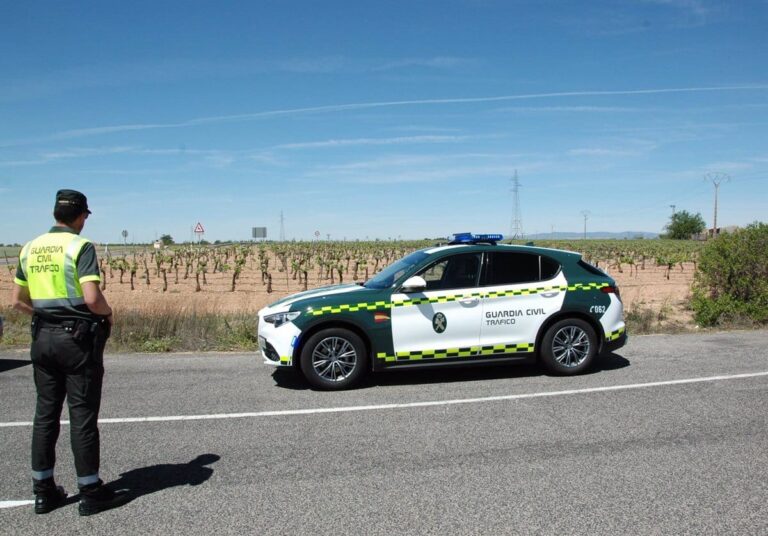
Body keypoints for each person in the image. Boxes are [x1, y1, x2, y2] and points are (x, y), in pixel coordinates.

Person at [11, 189, 129, 516]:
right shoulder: (80, 247)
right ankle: (91, 491)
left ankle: (43, 492)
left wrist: (45, 316)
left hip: (42, 338)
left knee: (45, 414)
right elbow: (92, 297)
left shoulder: (30, 248)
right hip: (77, 341)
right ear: (81, 216)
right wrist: (106, 315)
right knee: (82, 415)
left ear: (54, 214)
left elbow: (17, 300)